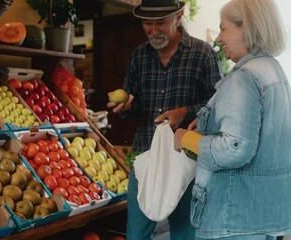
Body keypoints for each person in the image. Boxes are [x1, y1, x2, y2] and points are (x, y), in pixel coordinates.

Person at [174, 0, 291, 239]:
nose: (219, 38)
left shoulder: (244, 78)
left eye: (224, 28)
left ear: (247, 29)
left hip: (233, 218)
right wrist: (209, 124)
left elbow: (235, 148)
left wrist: (187, 139)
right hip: (262, 216)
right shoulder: (273, 70)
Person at [107, 0, 223, 239]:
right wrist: (126, 107)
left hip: (185, 161)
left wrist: (186, 112)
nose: (153, 29)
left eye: (160, 22)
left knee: (184, 233)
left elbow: (217, 106)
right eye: (147, 23)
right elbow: (132, 105)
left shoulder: (203, 54)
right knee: (137, 234)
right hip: (144, 158)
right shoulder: (138, 56)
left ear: (178, 17)